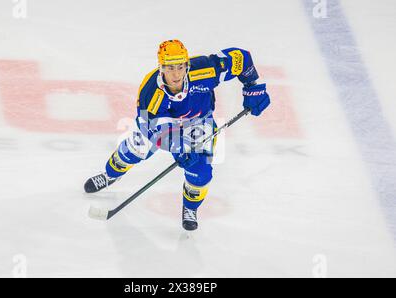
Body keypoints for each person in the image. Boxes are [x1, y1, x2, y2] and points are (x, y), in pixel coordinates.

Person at [84, 40, 270, 231]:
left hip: (199, 123)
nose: (176, 74)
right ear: (161, 68)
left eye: (180, 67)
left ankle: (190, 208)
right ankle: (110, 175)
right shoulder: (150, 93)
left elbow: (241, 58)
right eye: (170, 68)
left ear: (187, 65)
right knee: (132, 151)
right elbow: (153, 131)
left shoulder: (206, 70)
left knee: (200, 174)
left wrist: (252, 86)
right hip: (160, 128)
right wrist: (179, 147)